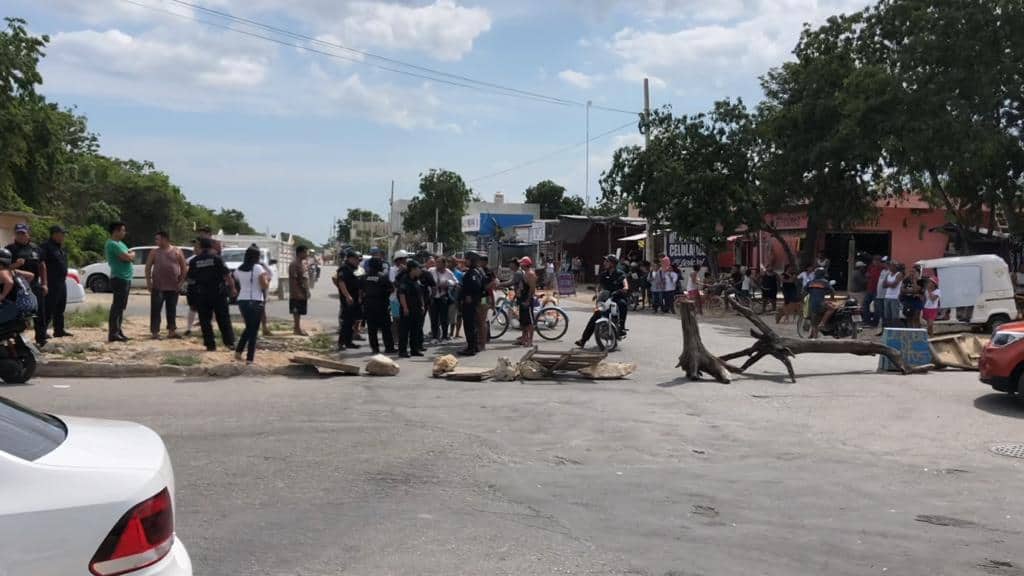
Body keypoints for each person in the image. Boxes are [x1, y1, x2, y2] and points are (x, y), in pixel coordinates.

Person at [188, 238, 236, 351]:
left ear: (200, 247)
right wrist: (233, 288)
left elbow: (190, 279)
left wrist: (192, 295)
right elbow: (227, 275)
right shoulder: (217, 259)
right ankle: (229, 343)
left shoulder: (194, 261)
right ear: (211, 247)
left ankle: (210, 345)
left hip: (202, 294)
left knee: (205, 321)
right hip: (218, 293)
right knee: (223, 318)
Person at [7, 224, 48, 346]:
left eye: (23, 233)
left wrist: (45, 283)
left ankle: (41, 339)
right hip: (17, 287)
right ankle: (18, 340)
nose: (21, 236)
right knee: (19, 314)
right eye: (19, 233)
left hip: (34, 285)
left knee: (39, 312)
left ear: (28, 234)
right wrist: (15, 265)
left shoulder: (35, 248)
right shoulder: (10, 249)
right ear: (15, 234)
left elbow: (42, 266)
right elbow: (3, 269)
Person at [575, 254, 628, 348]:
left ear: (613, 263)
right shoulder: (603, 274)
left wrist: (623, 289)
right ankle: (583, 340)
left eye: (607, 261)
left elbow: (625, 285)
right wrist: (597, 294)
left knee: (623, 304)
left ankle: (621, 327)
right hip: (606, 298)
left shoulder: (620, 273)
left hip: (617, 297)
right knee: (596, 315)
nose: (604, 263)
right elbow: (599, 286)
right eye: (605, 261)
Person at [144, 231, 187, 340]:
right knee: (155, 310)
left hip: (173, 287)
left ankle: (171, 331)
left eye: (158, 239)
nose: (156, 241)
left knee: (171, 309)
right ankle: (155, 332)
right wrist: (149, 282)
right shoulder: (154, 252)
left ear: (165, 239)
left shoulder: (177, 251)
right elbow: (148, 267)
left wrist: (181, 282)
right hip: (158, 286)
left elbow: (184, 268)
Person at [232, 245, 269, 364]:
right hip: (255, 300)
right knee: (253, 331)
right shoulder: (258, 268)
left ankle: (238, 352)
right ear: (256, 256)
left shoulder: (239, 269)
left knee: (249, 328)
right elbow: (264, 285)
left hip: (242, 300)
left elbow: (237, 280)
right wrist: (267, 279)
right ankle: (249, 359)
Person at [104, 222, 134, 343]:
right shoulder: (111, 244)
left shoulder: (121, 243)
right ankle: (113, 333)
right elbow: (127, 257)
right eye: (122, 230)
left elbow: (129, 255)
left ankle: (118, 331)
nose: (124, 233)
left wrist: (130, 255)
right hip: (119, 278)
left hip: (126, 278)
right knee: (117, 306)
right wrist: (131, 255)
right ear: (116, 231)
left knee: (121, 307)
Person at [40, 225, 71, 338]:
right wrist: (44, 282)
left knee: (60, 308)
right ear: (54, 234)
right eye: (62, 234)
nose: (64, 236)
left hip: (61, 281)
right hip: (51, 282)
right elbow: (41, 264)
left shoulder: (60, 248)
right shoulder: (46, 247)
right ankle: (42, 332)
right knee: (48, 308)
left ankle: (59, 330)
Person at [362, 251, 395, 355]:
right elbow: (391, 289)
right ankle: (389, 348)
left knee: (372, 328)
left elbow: (361, 290)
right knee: (386, 328)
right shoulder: (383, 277)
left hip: (368, 305)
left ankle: (375, 349)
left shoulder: (364, 277)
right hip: (381, 305)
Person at [396, 259, 425, 358]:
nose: (420, 270)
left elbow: (419, 294)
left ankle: (414, 350)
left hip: (416, 309)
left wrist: (422, 305)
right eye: (418, 268)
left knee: (415, 330)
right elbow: (401, 294)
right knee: (404, 331)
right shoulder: (404, 280)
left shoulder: (416, 280)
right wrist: (405, 308)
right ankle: (402, 351)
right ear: (412, 269)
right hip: (407, 309)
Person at [336, 249, 363, 350]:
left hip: (355, 298)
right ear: (350, 259)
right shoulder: (344, 269)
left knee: (352, 321)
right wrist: (347, 296)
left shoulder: (354, 269)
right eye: (356, 259)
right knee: (347, 322)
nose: (357, 261)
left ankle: (348, 342)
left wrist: (360, 296)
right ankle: (341, 342)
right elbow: (341, 283)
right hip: (348, 299)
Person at [459, 252, 484, 356]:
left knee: (469, 325)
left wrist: (469, 295)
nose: (465, 261)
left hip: (469, 303)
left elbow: (476, 286)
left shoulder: (472, 273)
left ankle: (471, 348)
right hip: (474, 302)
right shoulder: (476, 271)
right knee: (473, 325)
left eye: (467, 259)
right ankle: (473, 346)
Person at [429, 257, 456, 342]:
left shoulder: (448, 272)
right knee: (434, 318)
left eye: (439, 263)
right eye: (436, 262)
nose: (437, 264)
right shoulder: (431, 270)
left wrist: (447, 283)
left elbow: (455, 282)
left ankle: (444, 336)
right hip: (433, 297)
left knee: (444, 318)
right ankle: (434, 337)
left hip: (443, 297)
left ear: (444, 264)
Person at [806, 268, 835, 339]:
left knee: (814, 323)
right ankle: (822, 323)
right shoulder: (824, 282)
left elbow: (804, 292)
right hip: (821, 304)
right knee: (832, 308)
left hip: (812, 305)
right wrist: (832, 299)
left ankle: (812, 336)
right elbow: (832, 291)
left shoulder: (810, 282)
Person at [879, 259, 904, 334]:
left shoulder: (899, 274)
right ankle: (888, 331)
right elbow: (883, 285)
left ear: (895, 267)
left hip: (895, 297)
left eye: (891, 266)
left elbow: (894, 285)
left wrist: (888, 283)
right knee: (887, 316)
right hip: (887, 296)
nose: (890, 267)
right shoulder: (888, 274)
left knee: (894, 316)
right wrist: (890, 283)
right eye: (889, 266)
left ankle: (896, 331)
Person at [289, 245, 310, 336]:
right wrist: (297, 292)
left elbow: (304, 278)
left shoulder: (302, 264)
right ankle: (297, 329)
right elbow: (294, 280)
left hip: (302, 291)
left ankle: (297, 328)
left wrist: (307, 291)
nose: (307, 254)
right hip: (297, 293)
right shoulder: (294, 264)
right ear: (300, 253)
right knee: (296, 311)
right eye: (305, 252)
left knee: (300, 311)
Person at [0, 249, 25, 325]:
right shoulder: (13, 271)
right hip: (19, 303)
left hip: (8, 304)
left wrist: (2, 296)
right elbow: (31, 275)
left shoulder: (2, 272)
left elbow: (9, 282)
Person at [517, 257, 538, 346]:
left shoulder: (530, 274)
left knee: (529, 322)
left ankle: (530, 340)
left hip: (527, 301)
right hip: (522, 299)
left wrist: (528, 301)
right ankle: (524, 339)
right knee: (524, 322)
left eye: (522, 264)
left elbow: (532, 289)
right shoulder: (524, 273)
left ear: (525, 265)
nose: (520, 265)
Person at [900, 264, 924, 329]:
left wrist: (914, 281)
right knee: (908, 317)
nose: (911, 273)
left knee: (916, 318)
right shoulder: (906, 280)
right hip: (908, 301)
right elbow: (902, 290)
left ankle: (918, 331)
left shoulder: (921, 281)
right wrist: (911, 291)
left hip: (917, 301)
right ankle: (910, 331)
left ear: (918, 273)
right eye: (910, 271)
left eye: (913, 272)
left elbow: (917, 289)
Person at [864, 255, 885, 327]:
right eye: (874, 261)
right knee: (865, 304)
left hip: (878, 290)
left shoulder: (883, 268)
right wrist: (868, 276)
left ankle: (875, 322)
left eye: (876, 261)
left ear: (879, 261)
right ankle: (867, 321)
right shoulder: (871, 267)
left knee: (877, 307)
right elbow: (867, 275)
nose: (875, 262)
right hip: (870, 289)